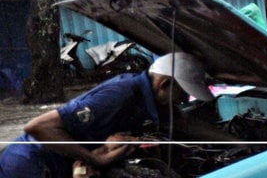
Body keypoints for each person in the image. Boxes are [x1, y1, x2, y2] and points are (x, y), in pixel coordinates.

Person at [0, 52, 217, 178]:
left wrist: (240, 142)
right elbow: (37, 126)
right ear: (166, 83)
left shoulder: (150, 97)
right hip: (32, 164)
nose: (185, 100)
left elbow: (185, 123)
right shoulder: (120, 93)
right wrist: (95, 159)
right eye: (184, 93)